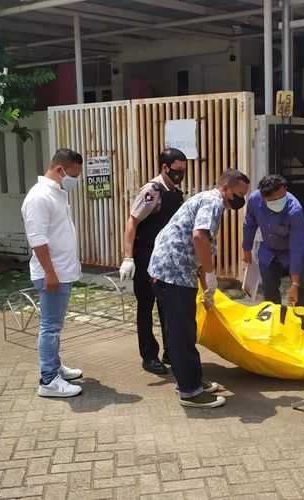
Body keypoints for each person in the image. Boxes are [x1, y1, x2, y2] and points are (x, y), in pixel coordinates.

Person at [148, 169, 251, 408]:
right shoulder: (214, 201)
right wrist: (212, 275)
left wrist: (207, 290)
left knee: (182, 330)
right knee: (182, 333)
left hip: (170, 271)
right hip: (173, 274)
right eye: (239, 193)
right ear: (226, 188)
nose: (241, 199)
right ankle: (190, 392)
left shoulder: (206, 199)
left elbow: (202, 244)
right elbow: (199, 237)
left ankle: (189, 380)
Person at [21, 148, 86, 398]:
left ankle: (55, 366)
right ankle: (48, 379)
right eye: (74, 174)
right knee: (49, 326)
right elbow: (37, 239)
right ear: (60, 170)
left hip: (60, 271)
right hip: (52, 273)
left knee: (55, 326)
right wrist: (49, 272)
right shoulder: (39, 197)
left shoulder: (55, 193)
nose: (75, 180)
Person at [119, 148, 186, 375]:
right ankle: (149, 356)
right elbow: (133, 222)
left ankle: (170, 351)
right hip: (146, 254)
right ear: (164, 167)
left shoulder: (175, 193)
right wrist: (128, 257)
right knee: (146, 305)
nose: (180, 175)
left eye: (183, 171)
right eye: (177, 171)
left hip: (167, 257)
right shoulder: (151, 191)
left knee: (168, 304)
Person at [242, 174, 304, 307]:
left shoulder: (294, 210)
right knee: (268, 287)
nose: (280, 201)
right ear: (263, 198)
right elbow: (249, 225)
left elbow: (297, 248)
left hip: (293, 250)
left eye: (282, 197)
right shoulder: (254, 200)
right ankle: (274, 320)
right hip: (269, 249)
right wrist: (246, 250)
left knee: (301, 289)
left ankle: (301, 322)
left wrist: (295, 284)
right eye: (275, 199)